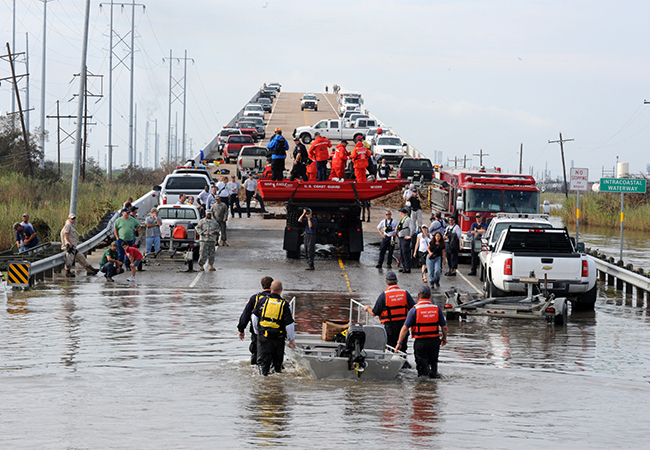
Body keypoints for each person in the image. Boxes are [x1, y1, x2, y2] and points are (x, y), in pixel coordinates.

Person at [363, 271, 415, 367]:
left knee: (391, 350)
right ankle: (404, 367)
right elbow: (414, 309)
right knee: (402, 351)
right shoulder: (405, 294)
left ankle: (392, 370)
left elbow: (374, 313)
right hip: (404, 327)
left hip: (390, 328)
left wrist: (367, 308)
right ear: (396, 281)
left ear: (386, 282)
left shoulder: (383, 296)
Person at [396, 285, 447, 378]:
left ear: (418, 295)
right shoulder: (436, 309)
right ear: (430, 296)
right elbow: (444, 327)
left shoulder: (414, 310)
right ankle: (433, 388)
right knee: (434, 366)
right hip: (434, 342)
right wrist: (444, 338)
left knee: (422, 372)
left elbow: (405, 328)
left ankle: (423, 389)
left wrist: (399, 342)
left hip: (421, 343)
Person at [252, 280, 296, 376]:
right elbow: (289, 324)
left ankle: (263, 383)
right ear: (281, 290)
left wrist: (257, 332)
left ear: (271, 289)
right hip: (278, 339)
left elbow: (254, 317)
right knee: (277, 367)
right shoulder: (284, 304)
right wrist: (291, 339)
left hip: (264, 337)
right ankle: (276, 387)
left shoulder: (262, 301)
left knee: (263, 365)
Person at [238, 276, 274, 365]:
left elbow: (246, 314)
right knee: (272, 356)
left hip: (257, 332)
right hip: (273, 332)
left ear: (262, 286)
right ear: (272, 286)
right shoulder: (277, 299)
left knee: (255, 353)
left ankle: (256, 371)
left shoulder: (255, 298)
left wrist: (241, 329)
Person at [396, 208, 414, 273]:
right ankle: (404, 266)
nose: (400, 214)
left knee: (405, 252)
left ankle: (407, 267)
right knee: (402, 253)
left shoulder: (408, 220)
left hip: (405, 238)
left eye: (401, 213)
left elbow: (412, 228)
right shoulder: (402, 219)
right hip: (401, 237)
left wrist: (410, 236)